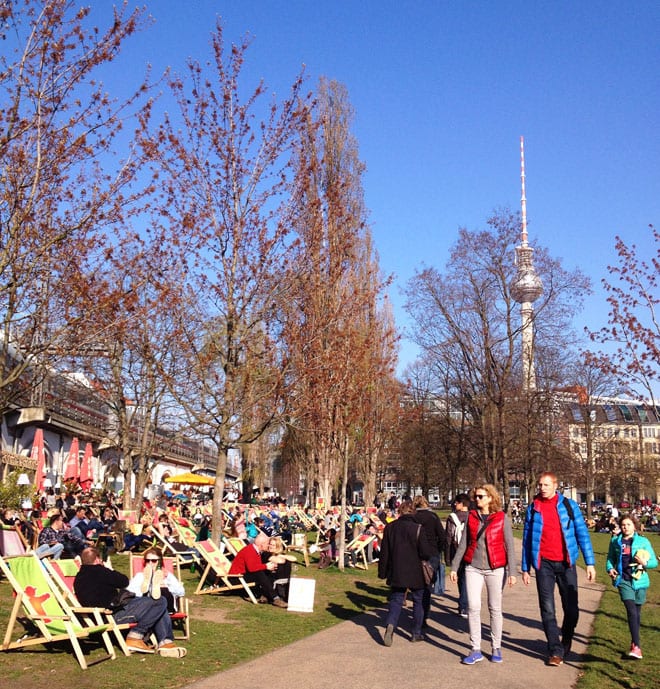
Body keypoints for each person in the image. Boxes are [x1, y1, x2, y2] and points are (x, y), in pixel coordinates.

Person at [522, 471, 596, 666]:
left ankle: (566, 641)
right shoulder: (533, 508)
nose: (542, 488)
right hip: (543, 563)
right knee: (547, 608)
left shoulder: (568, 506)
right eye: (540, 485)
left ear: (556, 486)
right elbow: (527, 539)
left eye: (546, 485)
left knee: (571, 609)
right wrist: (525, 567)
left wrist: (590, 563)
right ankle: (555, 650)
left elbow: (582, 534)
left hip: (566, 563)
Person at [74, 546, 186, 657]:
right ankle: (141, 636)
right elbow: (124, 581)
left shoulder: (78, 579)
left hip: (99, 617)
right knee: (160, 601)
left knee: (158, 602)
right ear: (97, 559)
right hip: (112, 616)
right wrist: (109, 569)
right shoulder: (102, 572)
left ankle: (164, 643)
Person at [450, 484, 517, 664]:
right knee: (473, 606)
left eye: (480, 496)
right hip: (473, 567)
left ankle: (496, 646)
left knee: (494, 607)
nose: (477, 499)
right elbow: (463, 543)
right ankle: (475, 648)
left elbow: (509, 545)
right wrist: (455, 567)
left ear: (490, 498)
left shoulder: (502, 518)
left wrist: (512, 571)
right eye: (476, 496)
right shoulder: (471, 517)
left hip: (496, 568)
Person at [378, 499, 432, 646]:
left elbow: (385, 552)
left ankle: (390, 625)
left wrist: (383, 571)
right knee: (418, 601)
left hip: (397, 569)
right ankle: (416, 632)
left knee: (396, 600)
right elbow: (426, 552)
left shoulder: (390, 528)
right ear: (413, 512)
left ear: (400, 512)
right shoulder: (418, 528)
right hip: (415, 571)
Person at [606, 514, 658, 659]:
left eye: (628, 524)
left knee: (637, 612)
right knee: (631, 610)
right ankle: (637, 647)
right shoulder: (616, 541)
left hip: (640, 581)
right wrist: (610, 569)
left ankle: (634, 642)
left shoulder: (643, 541)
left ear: (634, 526)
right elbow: (610, 558)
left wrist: (644, 562)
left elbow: (654, 562)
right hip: (623, 580)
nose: (625, 527)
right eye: (623, 525)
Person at [228, 533, 287, 607]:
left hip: (243, 576)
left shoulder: (255, 551)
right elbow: (252, 568)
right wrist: (266, 566)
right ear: (262, 544)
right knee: (259, 573)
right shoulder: (249, 551)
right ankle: (275, 598)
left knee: (266, 572)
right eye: (268, 543)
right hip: (235, 578)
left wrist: (267, 568)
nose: (268, 545)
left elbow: (255, 566)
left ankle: (265, 595)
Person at [413, 495, 446, 625]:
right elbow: (442, 536)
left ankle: (418, 615)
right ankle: (424, 615)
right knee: (427, 585)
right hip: (432, 552)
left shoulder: (414, 518)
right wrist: (438, 549)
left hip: (416, 553)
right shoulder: (433, 517)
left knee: (417, 585)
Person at [127, 547, 186, 613]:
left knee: (163, 590)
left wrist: (167, 587)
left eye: (154, 561)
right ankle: (150, 591)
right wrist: (146, 590)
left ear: (160, 562)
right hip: (145, 608)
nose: (150, 563)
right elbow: (129, 592)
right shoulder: (140, 576)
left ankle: (157, 590)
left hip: (166, 607)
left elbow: (181, 592)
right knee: (146, 594)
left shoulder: (167, 575)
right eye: (147, 560)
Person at [445, 493, 470, 617]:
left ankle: (463, 604)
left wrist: (447, 556)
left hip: (456, 549)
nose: (454, 504)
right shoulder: (473, 517)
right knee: (466, 577)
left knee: (461, 577)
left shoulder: (452, 518)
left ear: (462, 504)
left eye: (456, 502)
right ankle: (465, 603)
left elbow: (449, 537)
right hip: (470, 550)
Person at [261, 536, 293, 602]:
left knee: (287, 562)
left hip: (281, 577)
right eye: (270, 544)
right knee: (285, 562)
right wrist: (283, 558)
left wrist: (281, 556)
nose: (270, 546)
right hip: (269, 576)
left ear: (277, 546)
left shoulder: (281, 554)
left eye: (273, 545)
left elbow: (294, 558)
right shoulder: (266, 554)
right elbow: (280, 561)